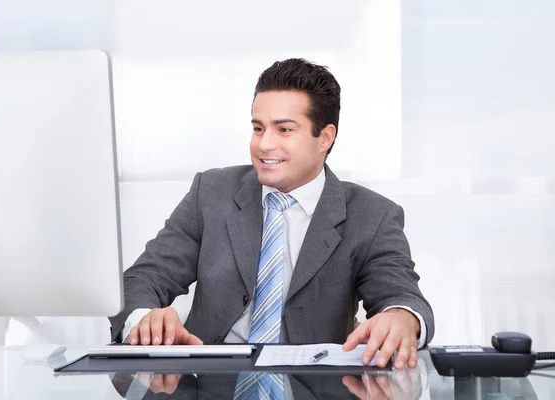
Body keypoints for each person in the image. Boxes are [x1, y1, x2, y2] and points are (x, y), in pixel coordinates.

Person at [109, 58, 435, 371]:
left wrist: (402, 318)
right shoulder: (210, 192)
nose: (264, 145)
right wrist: (143, 320)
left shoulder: (372, 215)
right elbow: (144, 278)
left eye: (283, 130)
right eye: (258, 128)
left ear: (325, 137)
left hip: (314, 387)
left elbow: (401, 295)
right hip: (206, 382)